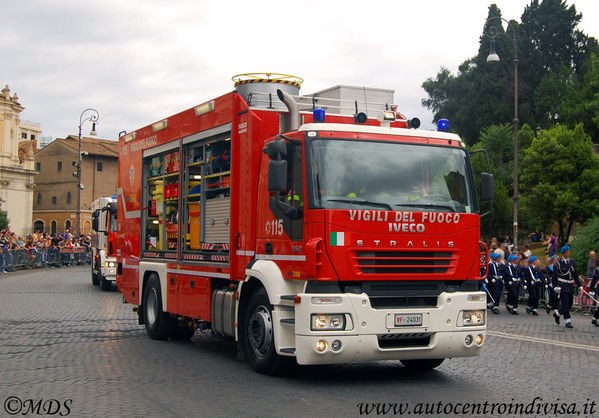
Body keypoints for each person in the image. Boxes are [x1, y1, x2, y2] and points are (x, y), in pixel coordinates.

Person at [552, 246, 581, 328]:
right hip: (562, 285)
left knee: (570, 304)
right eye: (568, 252)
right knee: (565, 304)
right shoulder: (558, 263)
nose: (569, 253)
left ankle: (557, 314)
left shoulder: (572, 262)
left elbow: (575, 274)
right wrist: (556, 287)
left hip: (570, 285)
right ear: (564, 253)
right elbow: (555, 277)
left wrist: (579, 285)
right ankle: (568, 321)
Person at [590, 258, 599, 326]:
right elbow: (593, 280)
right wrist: (591, 289)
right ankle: (595, 318)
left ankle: (594, 318)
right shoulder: (597, 269)